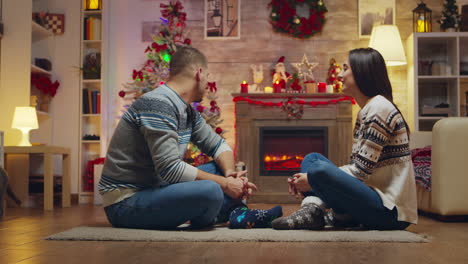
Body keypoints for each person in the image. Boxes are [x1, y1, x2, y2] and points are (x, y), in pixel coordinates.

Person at [99, 46, 282, 230]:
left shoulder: (186, 111)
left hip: (156, 189)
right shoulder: (158, 103)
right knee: (210, 189)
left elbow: (219, 146)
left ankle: (236, 214)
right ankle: (223, 213)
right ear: (199, 73)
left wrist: (229, 175)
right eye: (208, 76)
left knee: (218, 170)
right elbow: (170, 169)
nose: (208, 82)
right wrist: (226, 185)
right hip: (125, 202)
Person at [272, 48, 417, 230]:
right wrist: (313, 179)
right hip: (373, 198)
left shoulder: (379, 109)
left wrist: (311, 179)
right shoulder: (369, 109)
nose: (340, 74)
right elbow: (359, 173)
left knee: (317, 169)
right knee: (312, 159)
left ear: (362, 72)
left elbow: (360, 172)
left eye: (345, 68)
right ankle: (314, 211)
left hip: (391, 212)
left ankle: (315, 212)